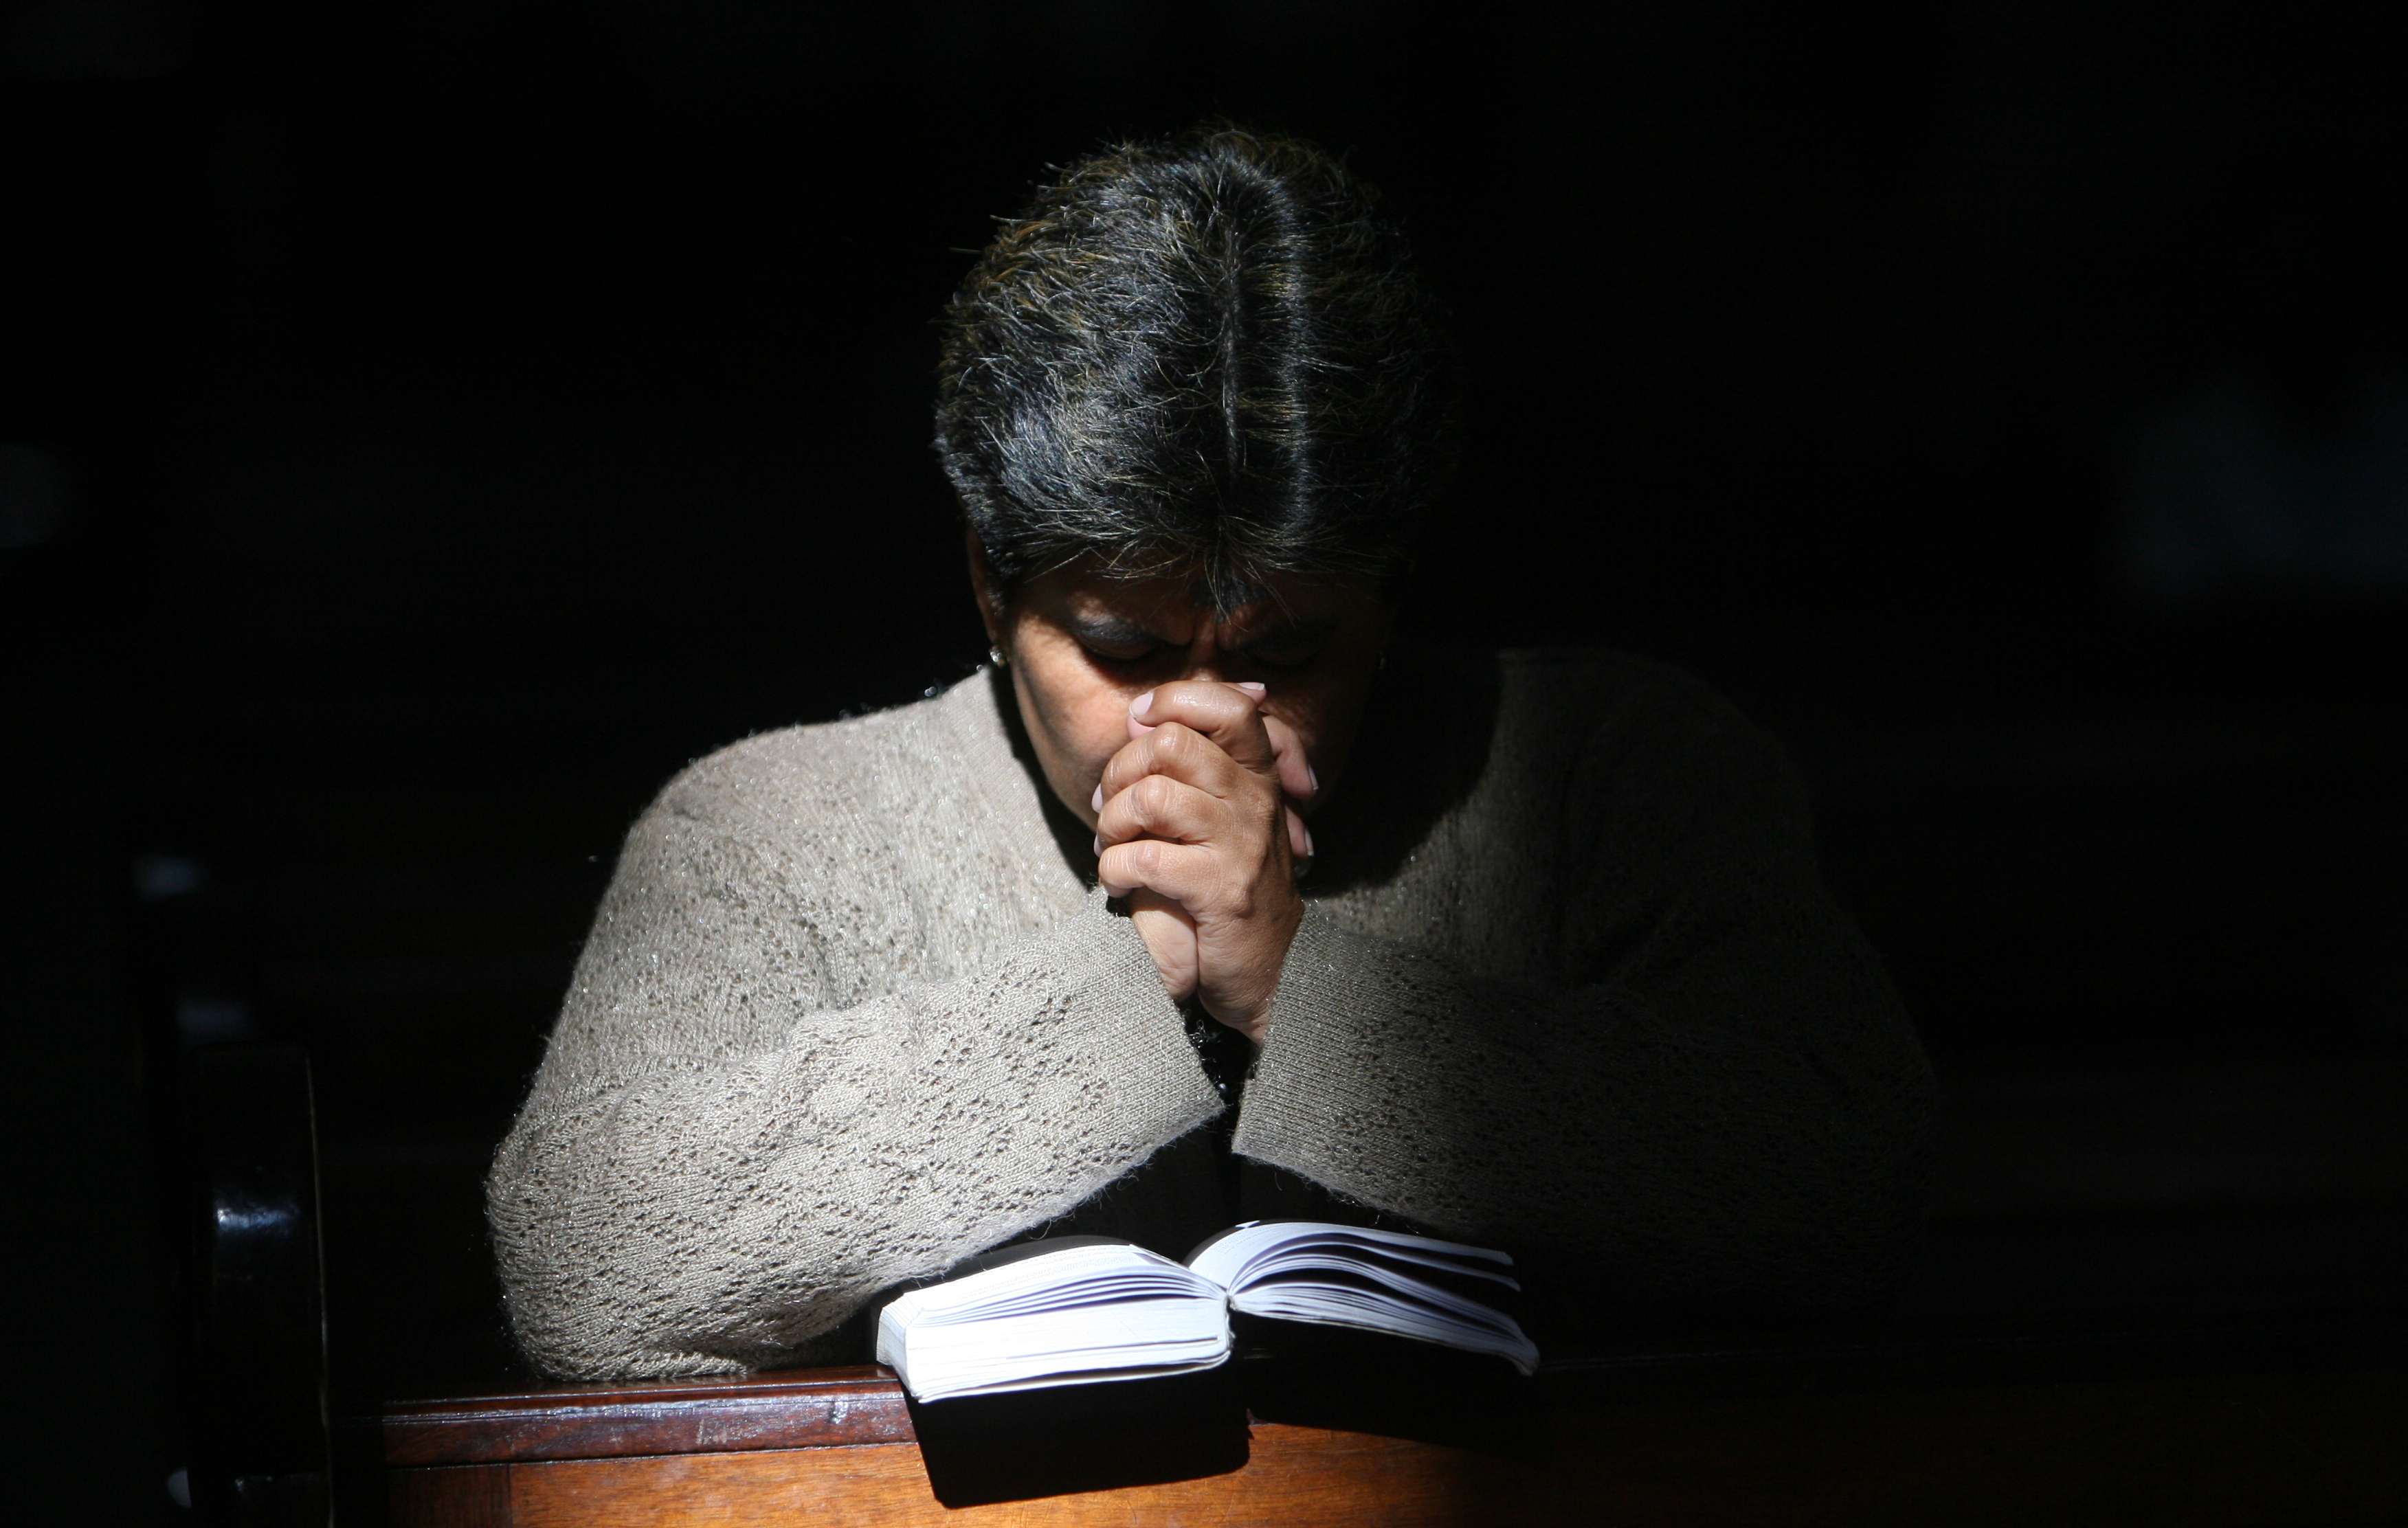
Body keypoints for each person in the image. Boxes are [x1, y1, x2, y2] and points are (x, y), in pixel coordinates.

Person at [486, 126, 1939, 1382]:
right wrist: (1130, 980)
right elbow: (587, 1261)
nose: (1201, 721)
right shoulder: (770, 827)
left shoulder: (1612, 768)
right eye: (1121, 649)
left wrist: (1300, 984)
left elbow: (1854, 1179)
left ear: (1395, 592)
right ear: (992, 583)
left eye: (1286, 651)